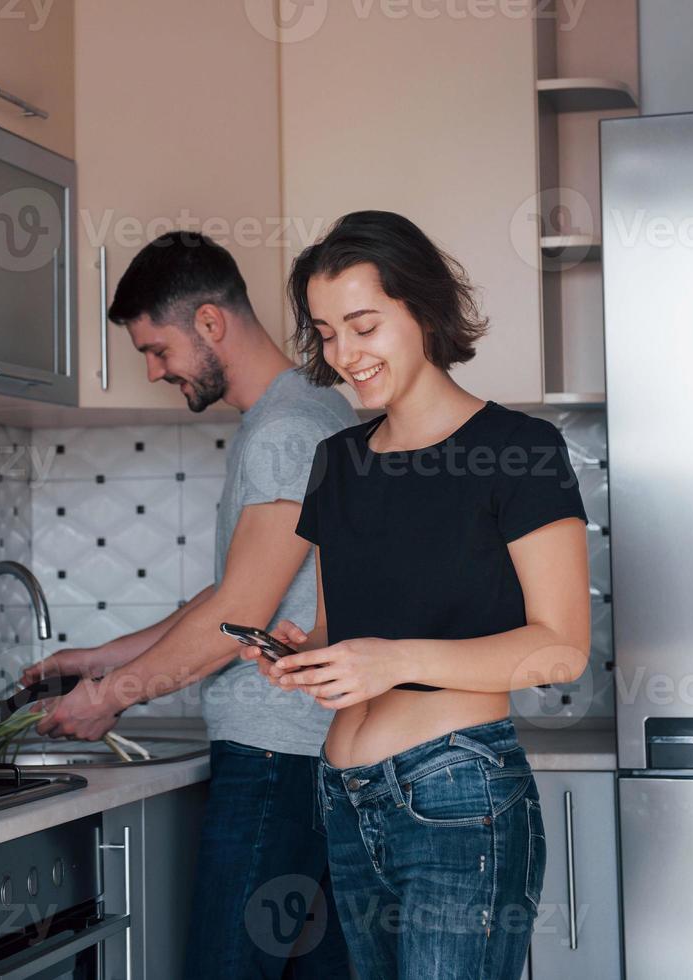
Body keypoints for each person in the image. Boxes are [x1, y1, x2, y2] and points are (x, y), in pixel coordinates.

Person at [247, 210, 591, 980]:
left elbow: (561, 649)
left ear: (423, 311)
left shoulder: (518, 451)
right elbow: (345, 631)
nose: (344, 355)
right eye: (327, 333)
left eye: (363, 325)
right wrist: (307, 658)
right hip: (343, 792)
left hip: (456, 793)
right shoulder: (336, 461)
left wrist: (390, 662)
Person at [21, 231, 356, 978]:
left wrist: (107, 698)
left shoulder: (285, 429)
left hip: (278, 754)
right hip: (307, 752)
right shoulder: (295, 415)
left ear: (210, 322)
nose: (152, 370)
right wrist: (101, 659)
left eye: (157, 349)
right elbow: (242, 589)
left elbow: (242, 610)